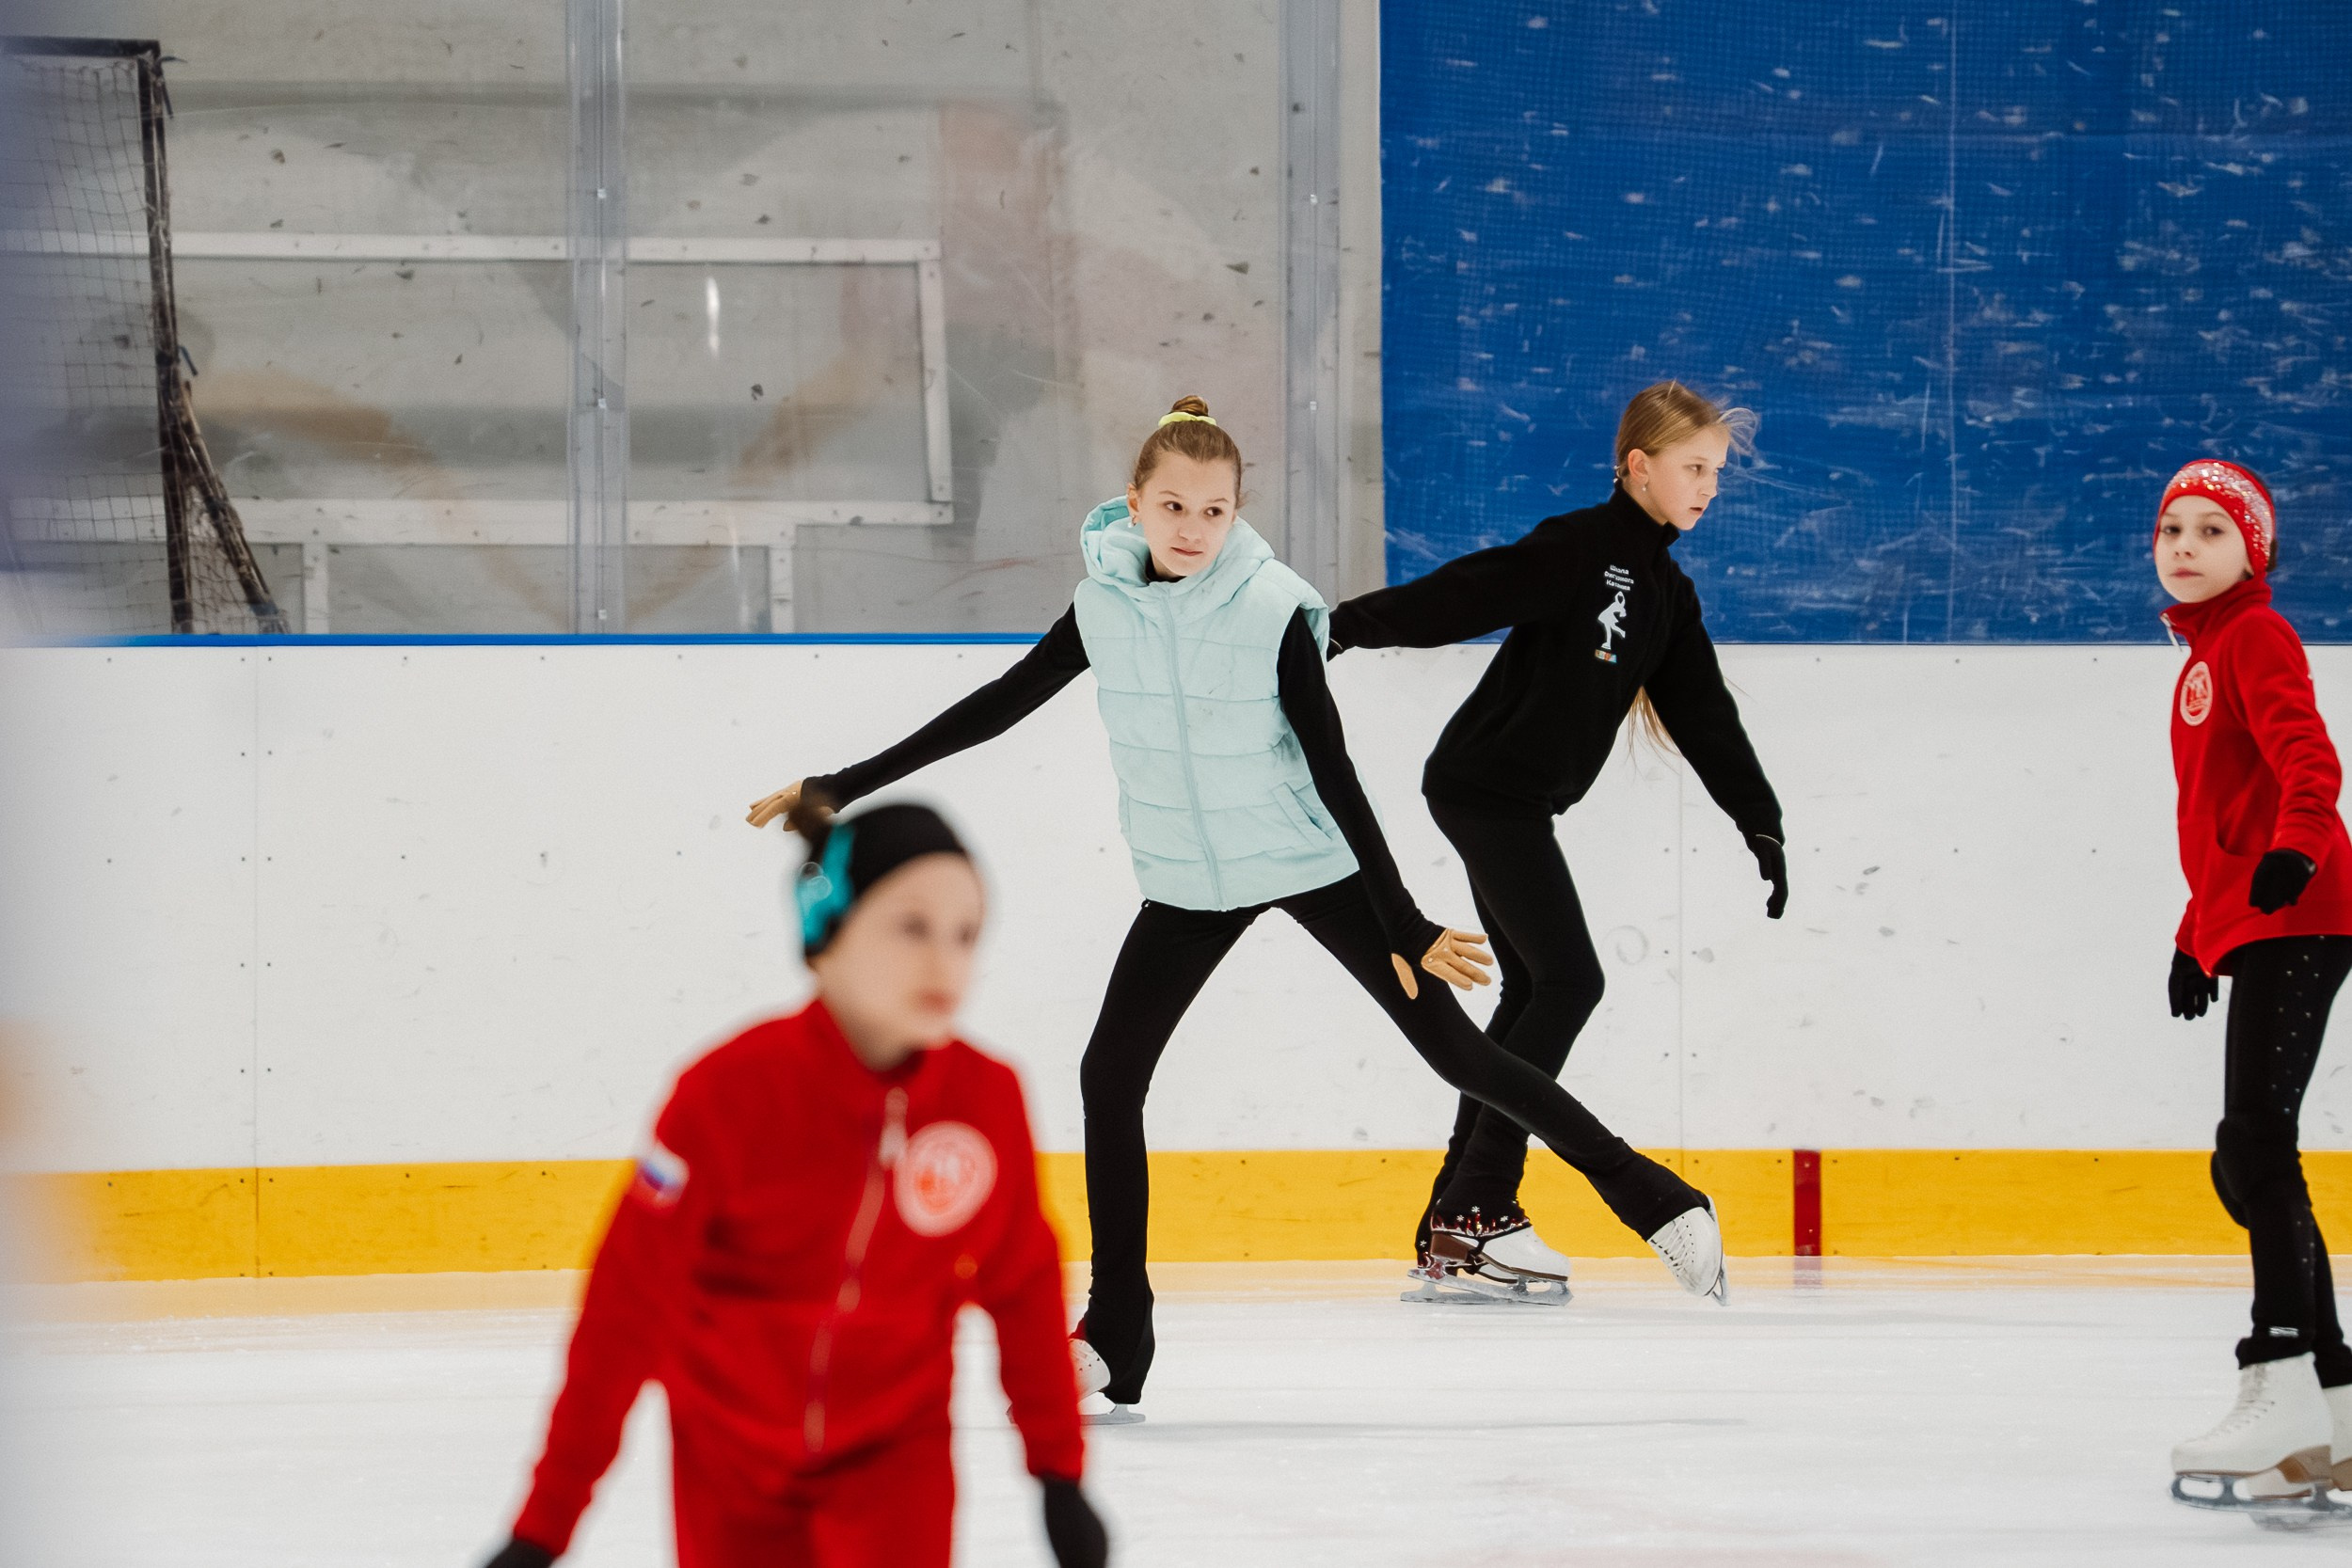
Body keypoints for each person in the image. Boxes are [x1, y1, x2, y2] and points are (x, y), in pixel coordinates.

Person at [748, 396, 1727, 1423]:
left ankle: (1654, 1199)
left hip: (1306, 856)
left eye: (1214, 511)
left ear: (1235, 514)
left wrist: (1400, 921)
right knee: (1107, 1075)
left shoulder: (1271, 609)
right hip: (1189, 877)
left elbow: (1334, 769)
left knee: (1454, 1051)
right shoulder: (1102, 606)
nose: (1191, 529)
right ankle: (1116, 1331)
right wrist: (841, 783)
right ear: (1133, 503)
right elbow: (997, 703)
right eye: (1172, 505)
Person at [475, 802, 1109, 1568]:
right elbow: (626, 1306)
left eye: (967, 934)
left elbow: (1023, 1281)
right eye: (912, 926)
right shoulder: (726, 1095)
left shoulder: (985, 1098)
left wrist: (1060, 1475)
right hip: (730, 1460)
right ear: (825, 928)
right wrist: (545, 1524)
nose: (946, 963)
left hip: (895, 1458)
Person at [1327, 381, 1785, 1303]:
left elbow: (1705, 714)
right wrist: (1348, 626)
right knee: (1571, 978)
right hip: (1483, 788)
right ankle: (1479, 1201)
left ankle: (1454, 1217)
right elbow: (1471, 591)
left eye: (1716, 474)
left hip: (1509, 798)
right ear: (1637, 466)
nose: (1706, 489)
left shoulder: (1664, 588)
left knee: (1539, 987)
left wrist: (1757, 815)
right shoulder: (1584, 546)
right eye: (1692, 468)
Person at [2154, 461, 2352, 1516]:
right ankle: (2335, 1402)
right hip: (2263, 917)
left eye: (2212, 532)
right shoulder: (2203, 653)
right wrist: (2196, 934)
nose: (2185, 545)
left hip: (2304, 909)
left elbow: (2305, 756)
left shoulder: (2255, 636)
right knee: (2252, 1150)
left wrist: (2299, 850)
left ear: (2254, 552)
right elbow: (2213, 822)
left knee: (2255, 1145)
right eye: (2171, 528)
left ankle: (2278, 1373)